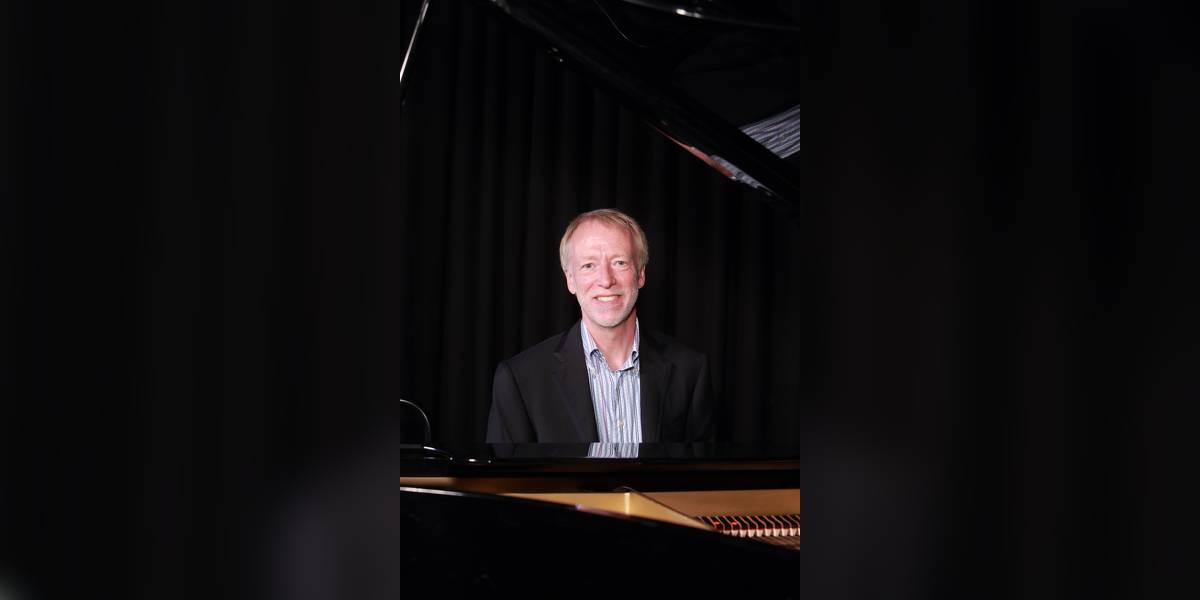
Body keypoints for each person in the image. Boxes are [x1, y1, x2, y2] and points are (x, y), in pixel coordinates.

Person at [486, 209, 714, 443]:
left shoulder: (690, 371)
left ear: (640, 275)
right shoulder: (520, 380)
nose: (606, 280)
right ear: (570, 279)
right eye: (589, 265)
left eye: (619, 262)